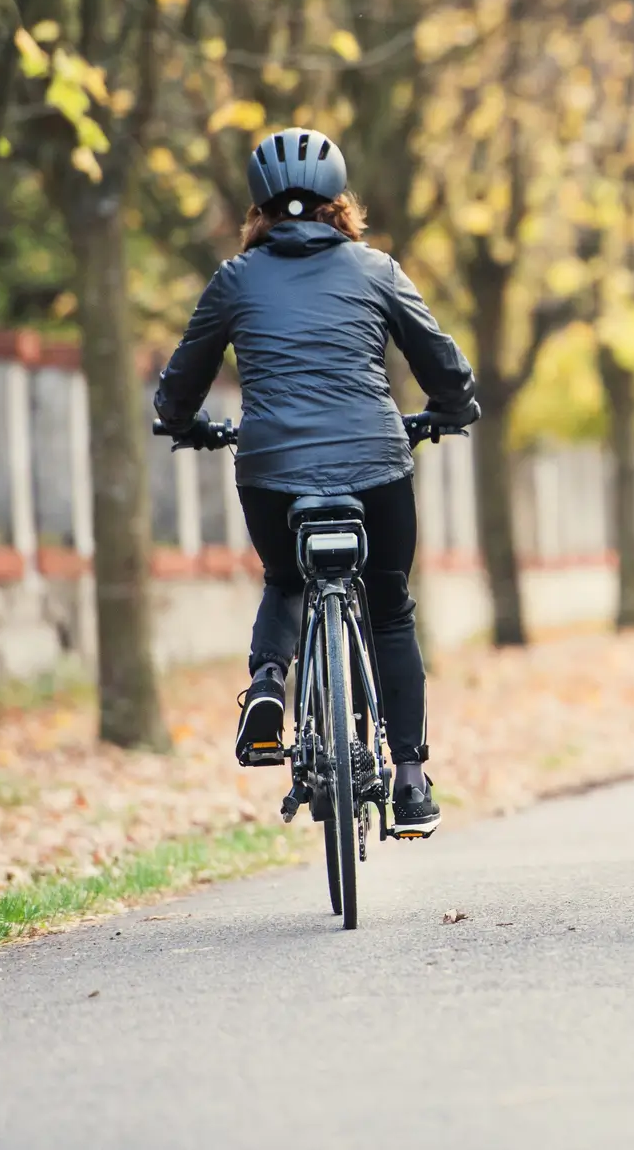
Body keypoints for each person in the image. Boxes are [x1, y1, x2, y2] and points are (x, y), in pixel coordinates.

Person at [154, 127, 478, 838]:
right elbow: (440, 361)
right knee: (389, 608)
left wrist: (182, 422)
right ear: (341, 203)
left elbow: (180, 380)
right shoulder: (376, 270)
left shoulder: (233, 280)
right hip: (376, 464)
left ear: (259, 210)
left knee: (285, 580)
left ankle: (269, 684)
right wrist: (453, 408)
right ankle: (413, 778)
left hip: (272, 468)